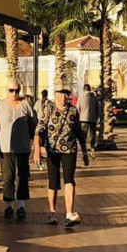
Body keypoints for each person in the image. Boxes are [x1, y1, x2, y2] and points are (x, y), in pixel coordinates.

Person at [35, 87, 90, 226]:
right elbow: (39, 129)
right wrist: (37, 148)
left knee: (69, 180)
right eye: (62, 94)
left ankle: (69, 213)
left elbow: (79, 132)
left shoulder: (73, 111)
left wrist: (85, 153)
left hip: (69, 150)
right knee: (53, 181)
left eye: (67, 95)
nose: (64, 98)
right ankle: (52, 213)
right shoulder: (49, 108)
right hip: (52, 150)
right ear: (56, 95)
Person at [0, 79, 36, 220]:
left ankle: (21, 206)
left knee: (22, 177)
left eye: (17, 90)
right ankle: (8, 206)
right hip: (6, 148)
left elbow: (33, 125)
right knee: (8, 177)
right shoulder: (0, 105)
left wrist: (35, 144)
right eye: (11, 90)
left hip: (23, 148)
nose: (14, 93)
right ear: (6, 90)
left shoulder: (25, 105)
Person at [78, 83, 100, 154]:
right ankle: (92, 148)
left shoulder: (80, 98)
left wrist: (77, 118)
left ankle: (84, 150)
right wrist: (96, 118)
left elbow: (77, 109)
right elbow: (97, 109)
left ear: (83, 89)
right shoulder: (94, 98)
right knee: (92, 135)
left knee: (83, 136)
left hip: (82, 119)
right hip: (92, 119)